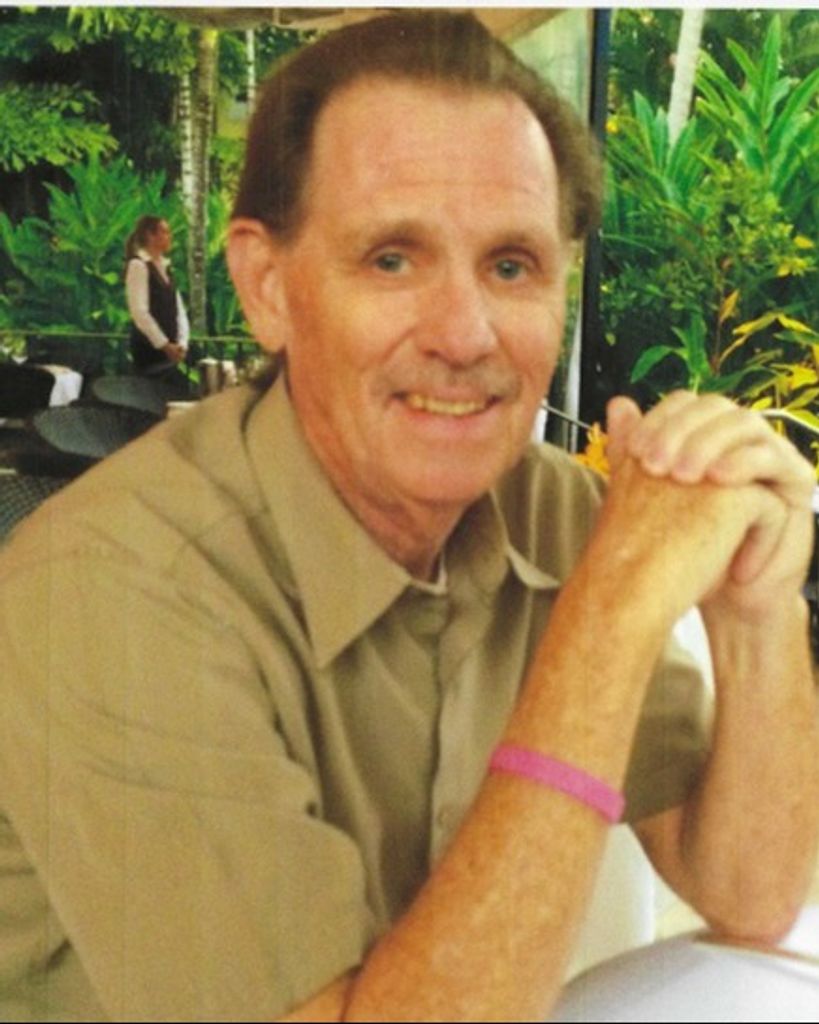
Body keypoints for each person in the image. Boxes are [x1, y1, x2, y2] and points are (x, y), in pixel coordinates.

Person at [0, 12, 817, 1022]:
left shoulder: (550, 511)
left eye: (510, 265)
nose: (464, 335)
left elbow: (750, 891)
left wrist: (757, 608)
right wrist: (605, 619)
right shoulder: (109, 591)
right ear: (266, 288)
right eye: (392, 258)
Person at [124, 214, 190, 378]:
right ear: (150, 235)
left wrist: (182, 342)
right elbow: (139, 312)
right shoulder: (138, 265)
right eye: (165, 232)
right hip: (149, 350)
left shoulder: (166, 267)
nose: (169, 237)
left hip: (171, 349)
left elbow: (178, 308)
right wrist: (164, 345)